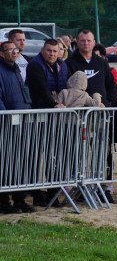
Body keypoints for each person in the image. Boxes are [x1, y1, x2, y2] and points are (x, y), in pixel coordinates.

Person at [0, 40, 36, 213]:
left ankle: (20, 200)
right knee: (6, 164)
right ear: (1, 53)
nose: (14, 52)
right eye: (9, 50)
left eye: (15, 49)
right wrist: (6, 116)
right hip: (7, 123)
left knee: (20, 163)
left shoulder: (18, 69)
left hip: (23, 121)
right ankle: (4, 203)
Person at [25, 39, 68, 109]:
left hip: (59, 108)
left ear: (58, 52)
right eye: (49, 50)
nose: (52, 54)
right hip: (39, 109)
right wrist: (54, 103)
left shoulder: (63, 65)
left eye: (55, 51)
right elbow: (41, 88)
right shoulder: (34, 65)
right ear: (42, 50)